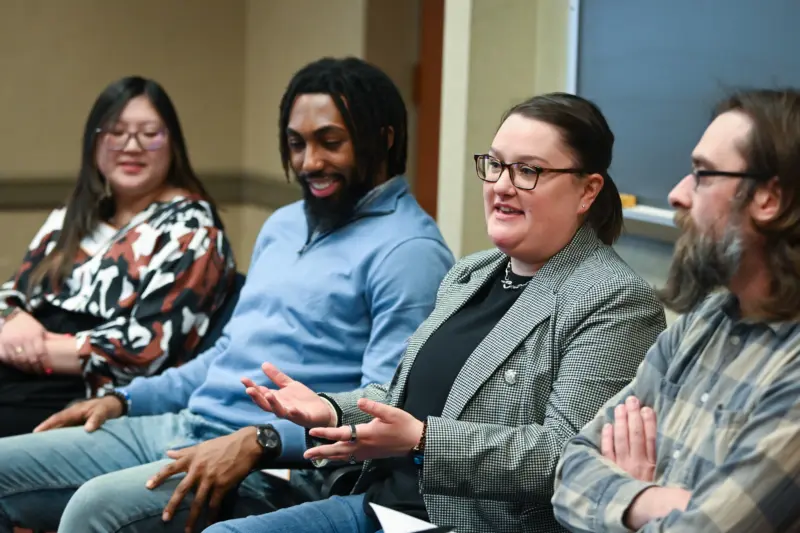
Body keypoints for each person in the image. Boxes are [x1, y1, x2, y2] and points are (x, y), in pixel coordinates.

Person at [0, 57, 454, 533]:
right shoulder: (284, 224)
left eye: (330, 142)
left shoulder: (410, 252)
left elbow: (382, 407)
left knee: (96, 509)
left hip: (280, 464)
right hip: (189, 424)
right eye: (296, 144)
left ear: (384, 138)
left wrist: (261, 440)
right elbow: (227, 354)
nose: (309, 162)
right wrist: (128, 399)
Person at [207, 92, 667, 533]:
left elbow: (568, 458)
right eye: (495, 165)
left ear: (587, 191)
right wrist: (329, 409)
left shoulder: (614, 299)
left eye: (528, 170)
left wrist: (426, 441)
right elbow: (403, 400)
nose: (502, 186)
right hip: (381, 504)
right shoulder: (471, 273)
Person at [552, 88, 800, 533]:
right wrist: (650, 499)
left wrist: (618, 495)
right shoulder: (706, 321)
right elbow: (569, 471)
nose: (676, 195)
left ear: (769, 199)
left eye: (702, 175)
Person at [0, 75, 236, 437]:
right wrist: (12, 319)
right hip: (21, 359)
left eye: (149, 133)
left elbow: (146, 350)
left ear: (173, 143)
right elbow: (14, 291)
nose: (131, 145)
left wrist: (35, 350)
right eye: (116, 131)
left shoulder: (193, 228)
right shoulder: (78, 212)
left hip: (87, 390)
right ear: (94, 142)